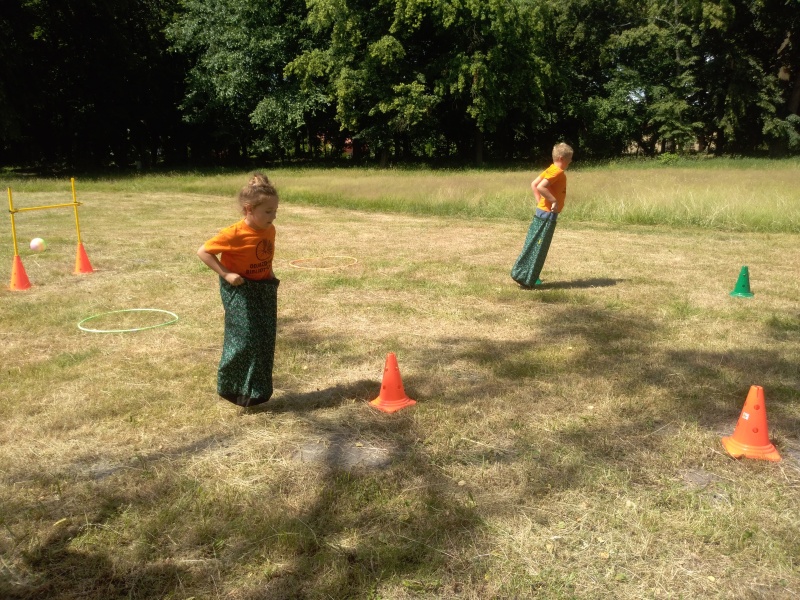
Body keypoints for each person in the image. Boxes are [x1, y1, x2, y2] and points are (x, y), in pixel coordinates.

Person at [197, 173, 280, 407]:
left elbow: (265, 254)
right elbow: (203, 252)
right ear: (248, 209)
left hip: (263, 288)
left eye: (275, 211)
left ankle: (257, 391)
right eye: (268, 211)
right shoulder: (233, 234)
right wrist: (226, 274)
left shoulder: (269, 230)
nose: (273, 216)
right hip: (240, 289)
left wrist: (269, 273)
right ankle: (232, 387)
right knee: (244, 338)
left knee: (264, 338)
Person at [510, 142, 574, 288]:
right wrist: (553, 201)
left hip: (543, 211)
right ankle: (526, 277)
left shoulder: (551, 169)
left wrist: (540, 202)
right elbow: (540, 186)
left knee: (535, 243)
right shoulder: (557, 171)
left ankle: (529, 275)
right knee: (540, 246)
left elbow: (534, 184)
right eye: (569, 158)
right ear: (561, 158)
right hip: (548, 214)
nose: (571, 161)